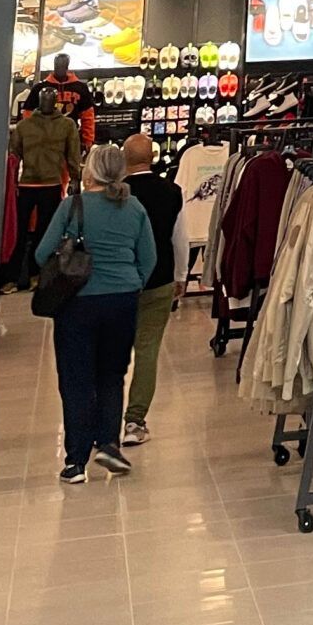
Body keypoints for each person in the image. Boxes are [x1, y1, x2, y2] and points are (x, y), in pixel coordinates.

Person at [34, 139, 158, 483]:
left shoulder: (72, 206)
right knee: (111, 375)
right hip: (122, 302)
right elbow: (149, 259)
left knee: (76, 381)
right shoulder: (134, 208)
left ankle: (75, 461)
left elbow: (42, 253)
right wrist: (130, 285)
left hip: (77, 303)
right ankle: (108, 444)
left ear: (91, 170)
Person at [120, 132, 188, 446]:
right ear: (152, 157)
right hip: (159, 279)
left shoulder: (115, 193)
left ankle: (106, 419)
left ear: (124, 159)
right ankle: (135, 422)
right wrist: (181, 276)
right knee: (147, 352)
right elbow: (180, 238)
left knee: (113, 352)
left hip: (119, 282)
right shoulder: (172, 191)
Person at [7, 85, 82, 291]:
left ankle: (37, 274)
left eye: (50, 98)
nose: (47, 101)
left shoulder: (67, 125)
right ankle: (12, 277)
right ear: (39, 100)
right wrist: (11, 183)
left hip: (51, 183)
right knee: (18, 231)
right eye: (43, 98)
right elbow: (14, 156)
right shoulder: (25, 126)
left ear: (56, 101)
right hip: (26, 183)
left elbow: (73, 155)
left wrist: (76, 178)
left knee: (46, 231)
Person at [22, 52, 97, 151]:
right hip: (45, 139)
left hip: (71, 139)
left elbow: (88, 116)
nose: (60, 68)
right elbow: (28, 115)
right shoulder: (40, 88)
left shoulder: (80, 88)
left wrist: (87, 140)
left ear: (67, 66)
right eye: (58, 65)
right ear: (54, 66)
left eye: (63, 65)